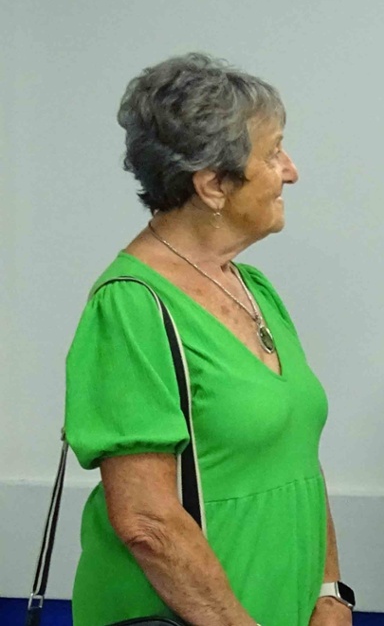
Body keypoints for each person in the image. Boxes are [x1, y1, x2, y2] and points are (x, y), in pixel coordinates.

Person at [64, 53, 352, 625]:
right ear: (214, 184)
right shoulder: (130, 306)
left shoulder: (255, 289)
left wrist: (328, 594)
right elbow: (146, 522)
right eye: (272, 154)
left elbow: (298, 459)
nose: (291, 170)